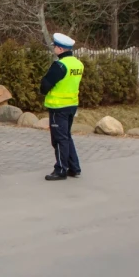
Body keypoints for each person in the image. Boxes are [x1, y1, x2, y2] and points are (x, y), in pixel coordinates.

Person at [39, 33, 84, 181]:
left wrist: (43, 90)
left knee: (59, 139)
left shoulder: (60, 65)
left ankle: (61, 169)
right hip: (72, 104)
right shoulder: (78, 64)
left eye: (55, 47)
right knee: (66, 137)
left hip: (58, 107)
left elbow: (45, 84)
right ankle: (74, 167)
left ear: (60, 49)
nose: (54, 50)